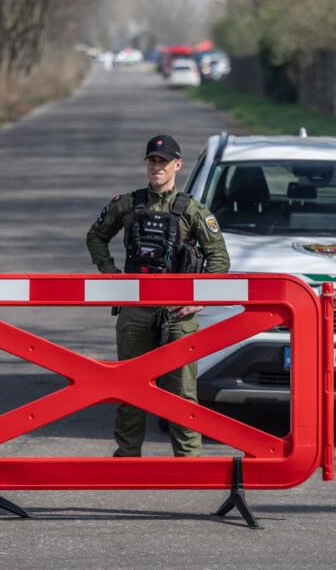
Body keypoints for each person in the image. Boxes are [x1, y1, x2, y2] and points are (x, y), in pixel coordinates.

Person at [86, 135, 230, 456]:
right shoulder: (126, 203)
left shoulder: (193, 210)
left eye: (164, 162)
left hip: (178, 314)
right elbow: (96, 236)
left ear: (177, 165)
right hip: (134, 313)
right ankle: (127, 459)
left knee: (182, 393)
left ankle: (189, 463)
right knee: (128, 390)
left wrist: (200, 298)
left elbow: (219, 258)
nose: (157, 167)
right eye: (152, 161)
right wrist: (112, 276)